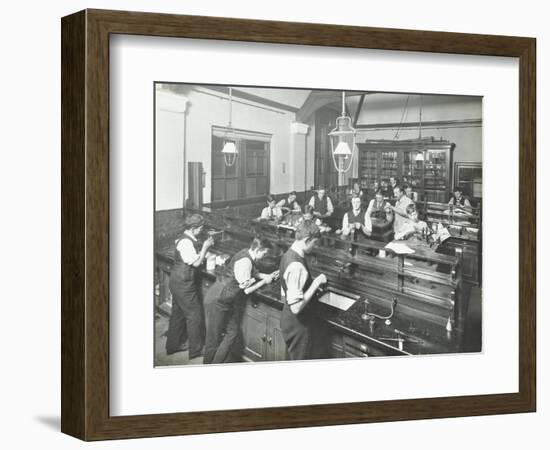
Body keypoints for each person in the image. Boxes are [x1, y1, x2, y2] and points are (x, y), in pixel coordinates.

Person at [203, 237, 278, 364]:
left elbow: (250, 274)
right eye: (264, 253)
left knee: (232, 333)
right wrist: (265, 281)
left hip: (227, 299)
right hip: (218, 299)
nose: (265, 256)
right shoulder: (246, 261)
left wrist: (267, 276)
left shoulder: (246, 253)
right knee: (213, 339)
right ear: (258, 249)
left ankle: (216, 362)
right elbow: (247, 290)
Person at [165, 214, 214, 358]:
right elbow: (196, 263)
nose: (201, 231)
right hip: (183, 284)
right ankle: (196, 350)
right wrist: (205, 247)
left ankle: (172, 346)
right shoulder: (186, 243)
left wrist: (201, 252)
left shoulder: (185, 238)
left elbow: (192, 258)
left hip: (177, 281)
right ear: (193, 228)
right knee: (195, 316)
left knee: (178, 314)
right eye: (200, 228)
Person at [280, 220, 328, 360]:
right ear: (307, 240)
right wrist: (316, 283)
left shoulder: (289, 254)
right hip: (298, 324)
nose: (315, 247)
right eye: (314, 243)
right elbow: (295, 307)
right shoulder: (296, 266)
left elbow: (286, 291)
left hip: (288, 319)